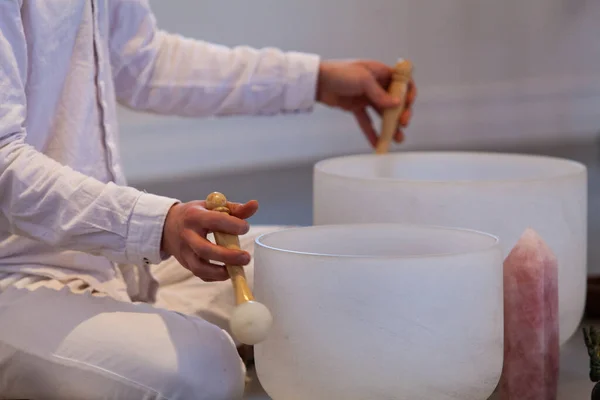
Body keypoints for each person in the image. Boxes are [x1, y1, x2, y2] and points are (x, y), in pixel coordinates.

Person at [0, 1, 416, 399]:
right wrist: (157, 224)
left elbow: (142, 61)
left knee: (325, 274)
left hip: (114, 266)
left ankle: (132, 334)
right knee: (203, 371)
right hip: (14, 278)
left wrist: (314, 79)